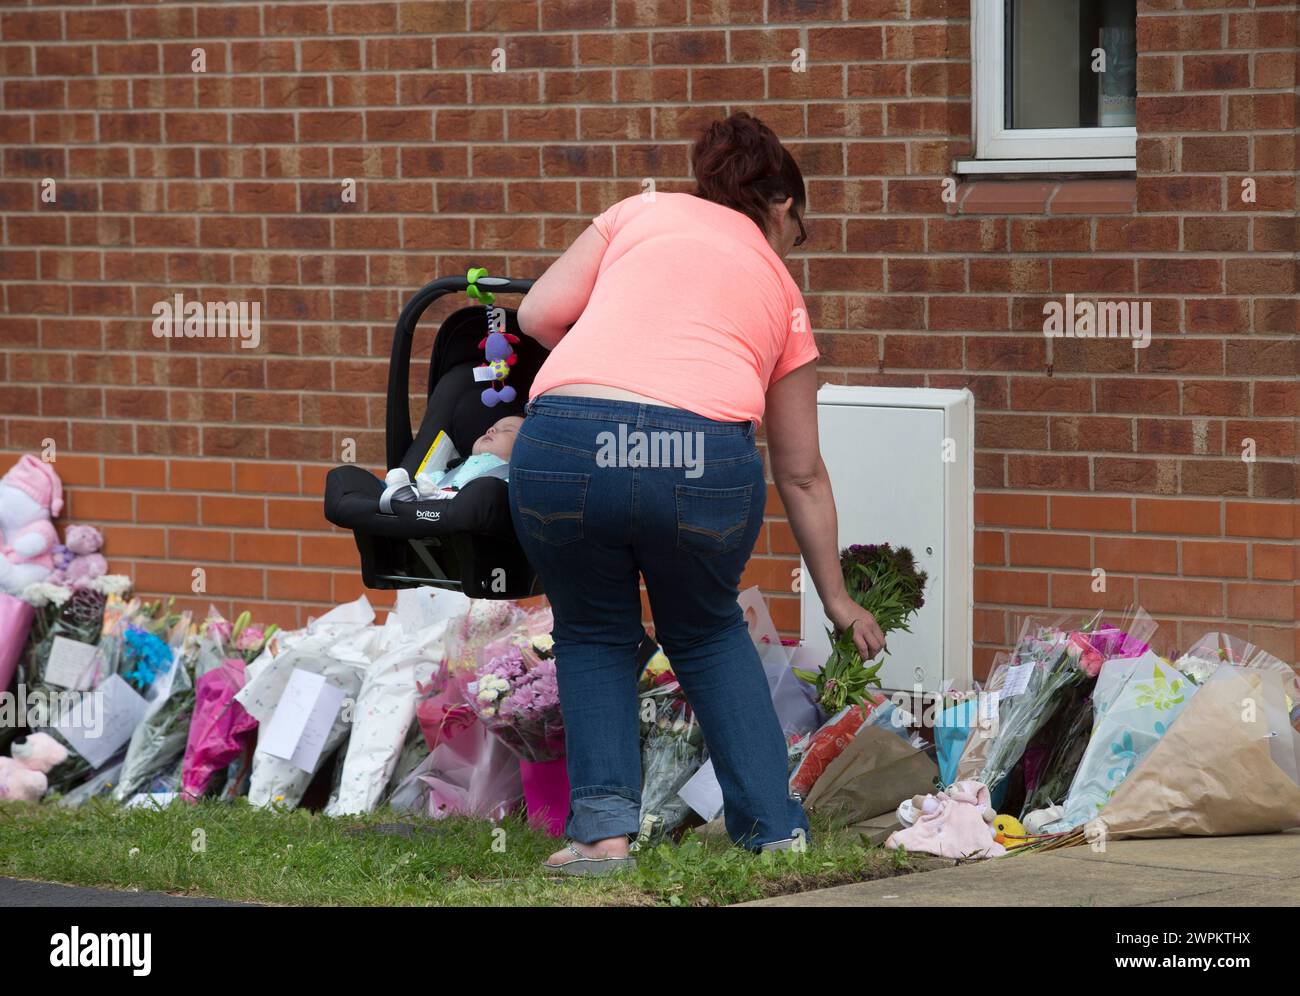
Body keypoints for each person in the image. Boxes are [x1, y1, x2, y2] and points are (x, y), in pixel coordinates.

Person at [510, 111, 885, 875]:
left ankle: (602, 839)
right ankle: (772, 831)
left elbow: (535, 313)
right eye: (798, 229)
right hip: (697, 458)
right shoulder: (781, 293)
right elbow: (801, 470)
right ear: (780, 207)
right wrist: (838, 598)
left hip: (565, 442)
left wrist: (616, 364)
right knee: (708, 631)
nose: (791, 246)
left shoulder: (636, 212)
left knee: (592, 633)